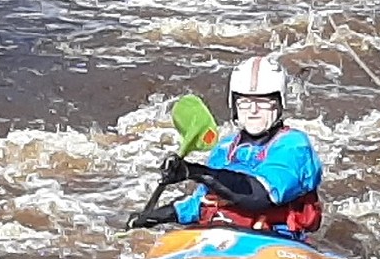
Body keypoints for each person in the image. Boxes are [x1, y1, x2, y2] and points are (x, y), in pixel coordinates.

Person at [125, 55, 324, 242]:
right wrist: (154, 217)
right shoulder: (225, 148)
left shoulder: (294, 146)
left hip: (275, 241)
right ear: (234, 105)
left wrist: (194, 172)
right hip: (222, 240)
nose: (253, 110)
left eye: (263, 102)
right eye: (244, 102)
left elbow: (259, 196)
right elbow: (203, 203)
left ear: (279, 104)